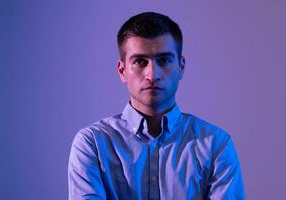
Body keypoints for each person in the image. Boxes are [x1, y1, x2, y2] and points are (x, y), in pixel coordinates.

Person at [68, 12, 245, 200]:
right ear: (122, 71)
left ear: (181, 67)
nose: (152, 75)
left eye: (164, 60)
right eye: (140, 61)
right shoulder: (92, 144)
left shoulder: (216, 145)